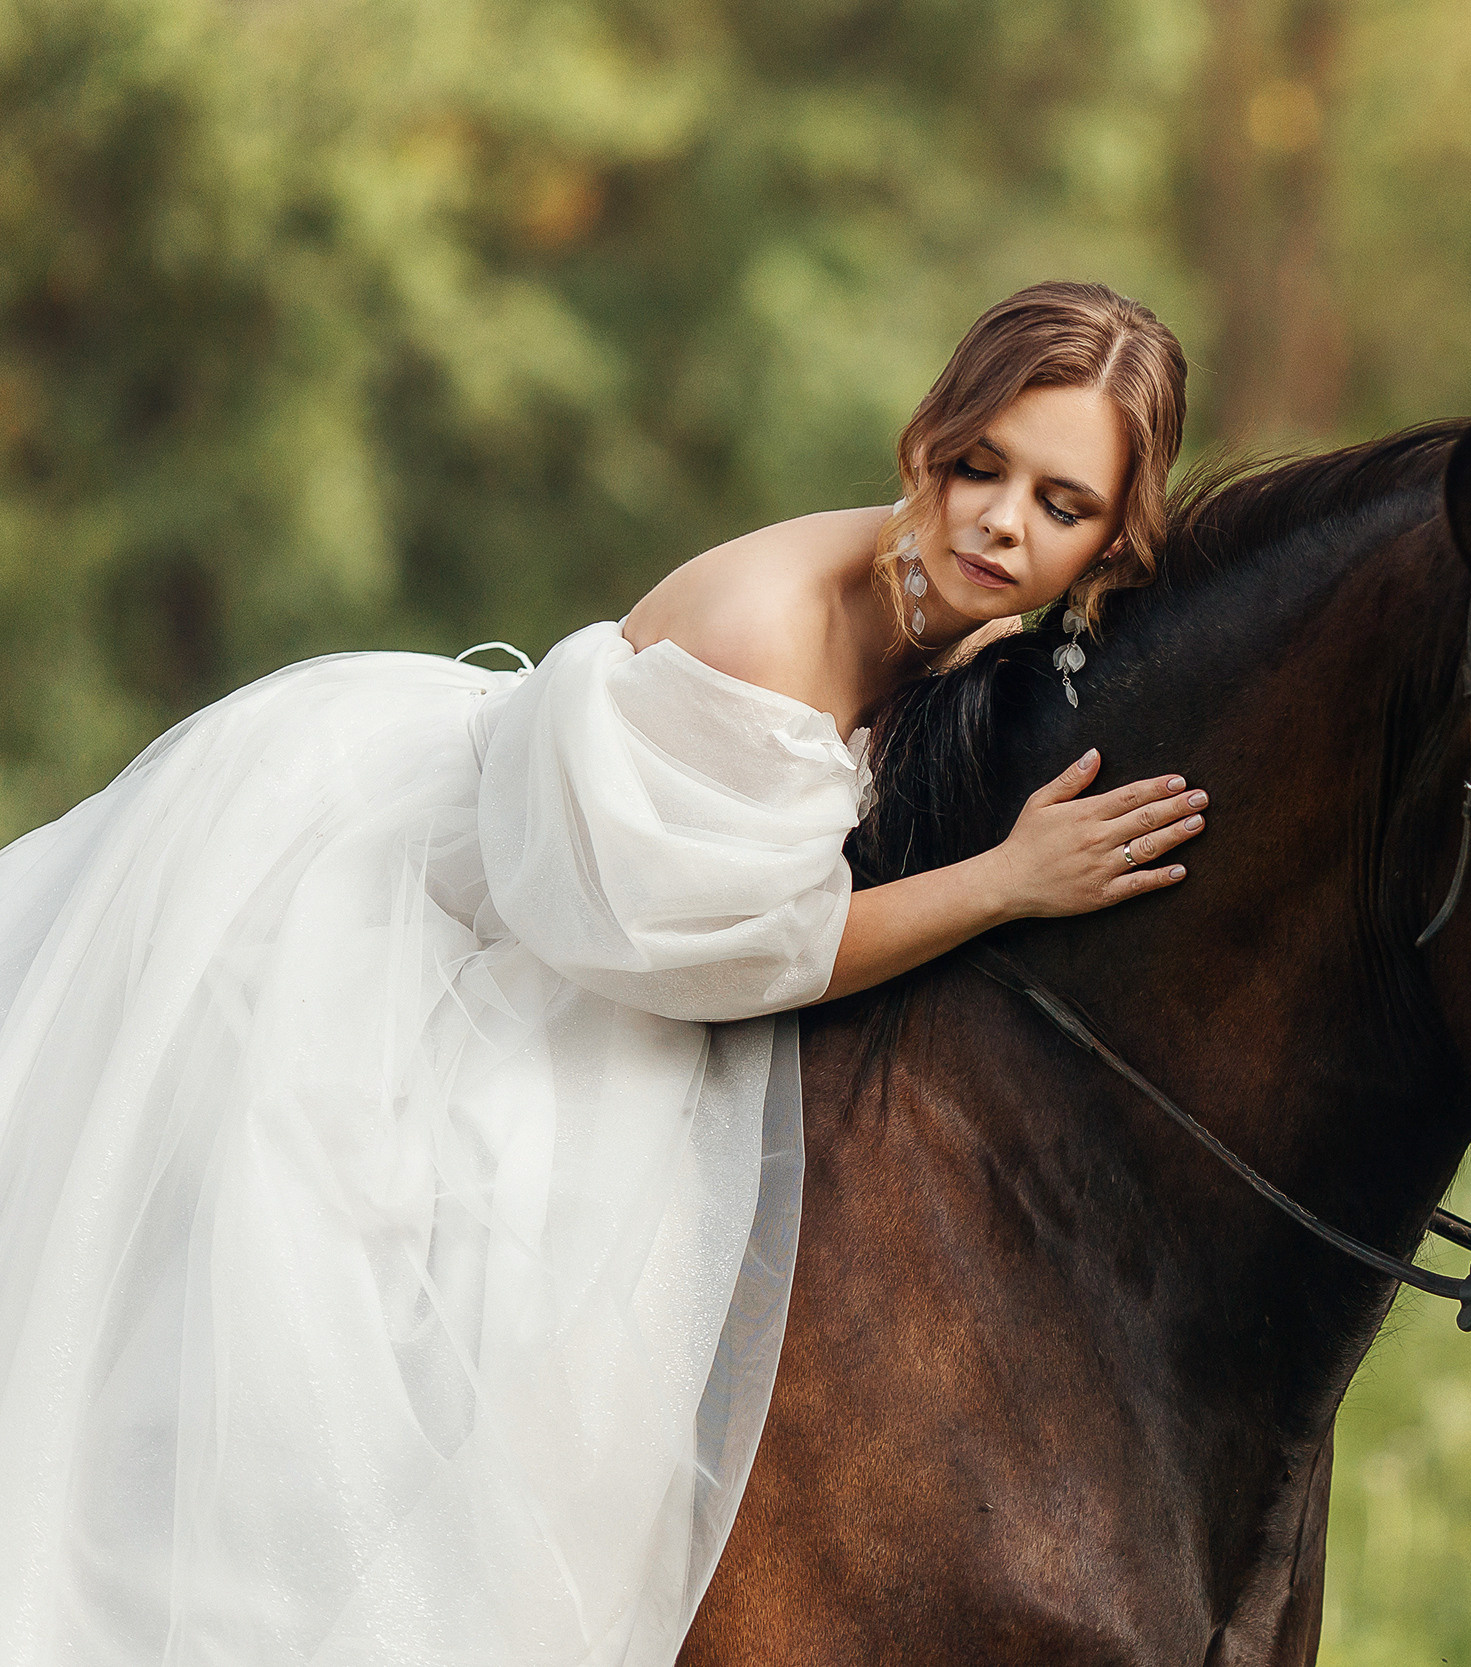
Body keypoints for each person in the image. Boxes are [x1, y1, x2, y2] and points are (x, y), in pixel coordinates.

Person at [0, 281, 1199, 1666]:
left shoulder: (977, 615)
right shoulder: (776, 635)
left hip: (620, 916)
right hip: (475, 946)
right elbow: (735, 952)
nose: (1000, 521)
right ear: (924, 443)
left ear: (1114, 533)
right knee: (395, 1383)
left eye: (1060, 504)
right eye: (978, 466)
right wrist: (1007, 882)